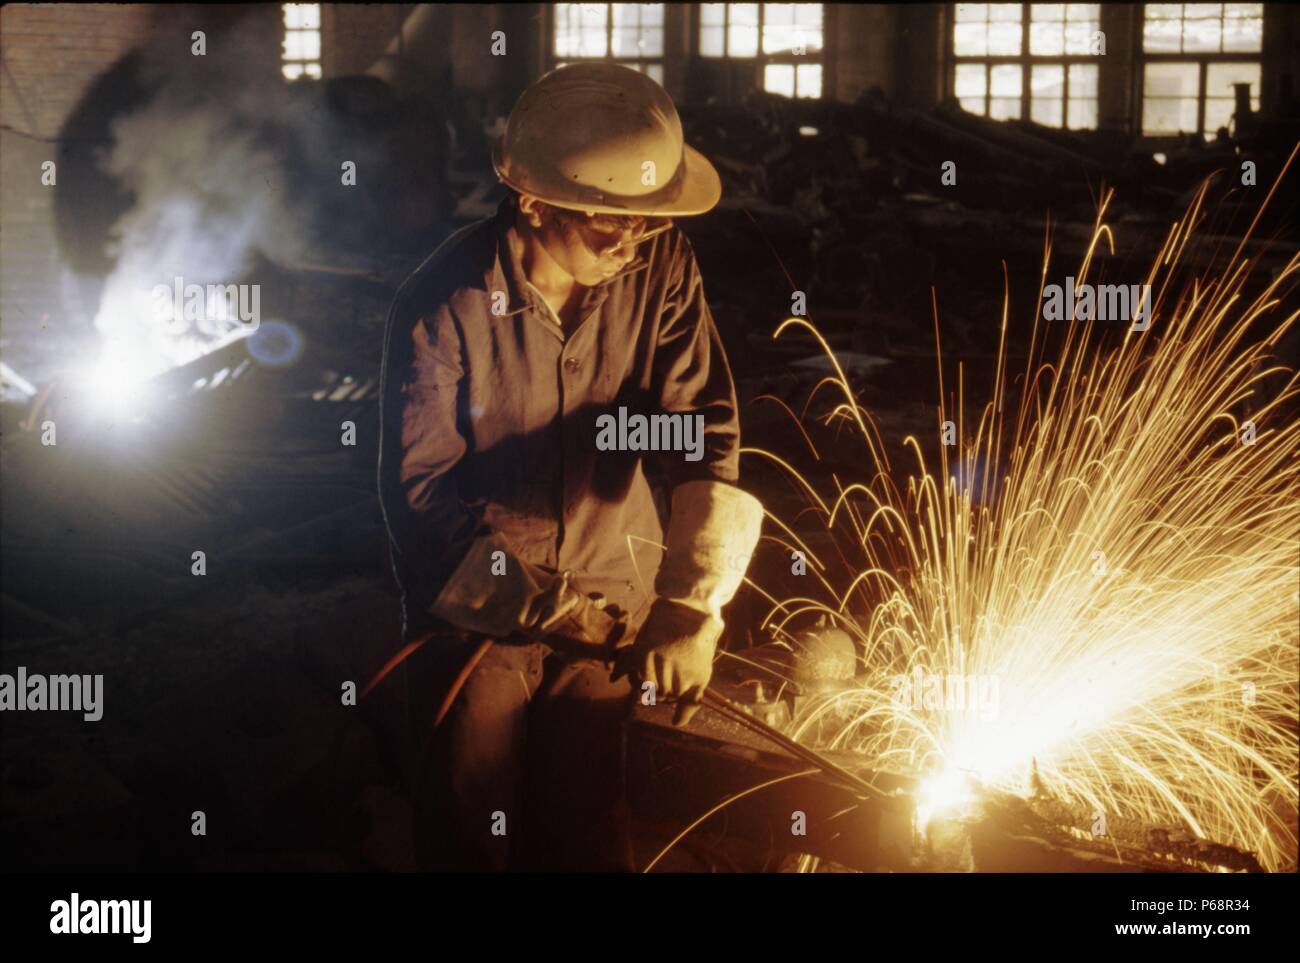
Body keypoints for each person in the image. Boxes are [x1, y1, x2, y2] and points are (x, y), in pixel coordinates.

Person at [378, 62, 764, 871]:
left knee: (588, 839)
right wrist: (548, 608)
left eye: (646, 225)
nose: (630, 245)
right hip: (476, 622)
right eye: (608, 227)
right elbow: (420, 500)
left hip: (611, 602)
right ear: (535, 203)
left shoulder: (660, 267)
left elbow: (702, 429)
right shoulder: (444, 304)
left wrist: (693, 603)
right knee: (471, 834)